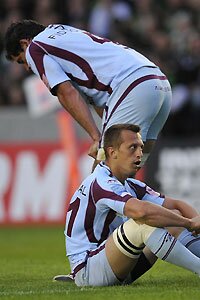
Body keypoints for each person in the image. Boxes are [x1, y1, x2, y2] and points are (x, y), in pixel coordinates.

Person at [4, 20, 172, 167]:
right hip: (159, 84)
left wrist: (96, 137)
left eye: (21, 60)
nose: (26, 67)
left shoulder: (35, 48)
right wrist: (104, 137)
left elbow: (66, 93)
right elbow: (99, 101)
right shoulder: (62, 32)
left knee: (102, 182)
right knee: (125, 176)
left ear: (25, 43)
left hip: (132, 87)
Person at [54, 124, 200, 287]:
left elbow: (177, 205)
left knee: (171, 218)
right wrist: (189, 223)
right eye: (132, 147)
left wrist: (195, 221)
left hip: (116, 265)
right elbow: (142, 212)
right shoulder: (102, 182)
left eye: (141, 148)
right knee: (143, 223)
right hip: (88, 271)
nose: (139, 154)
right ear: (112, 152)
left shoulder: (129, 184)